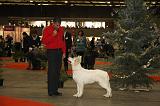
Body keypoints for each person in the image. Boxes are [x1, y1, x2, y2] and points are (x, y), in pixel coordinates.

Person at [41, 17, 66, 96]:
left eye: (59, 25)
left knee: (57, 72)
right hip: (51, 52)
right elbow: (44, 41)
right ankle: (50, 91)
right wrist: (53, 35)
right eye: (57, 25)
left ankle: (55, 90)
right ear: (53, 23)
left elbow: (63, 41)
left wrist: (64, 52)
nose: (58, 27)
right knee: (52, 71)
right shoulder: (47, 29)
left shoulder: (61, 29)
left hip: (59, 52)